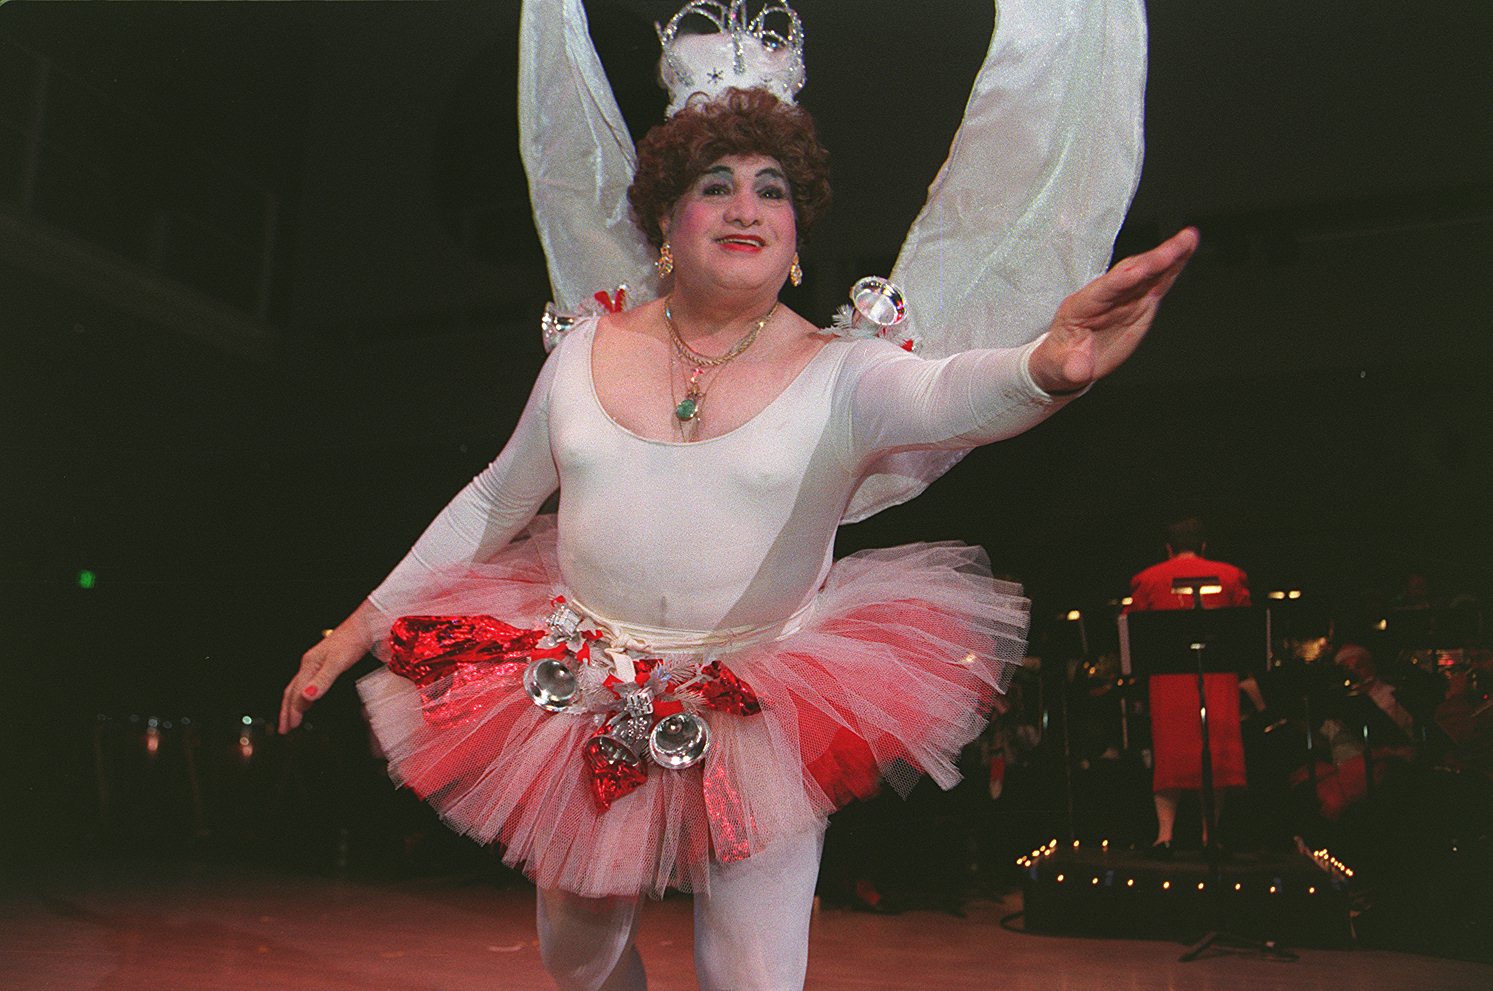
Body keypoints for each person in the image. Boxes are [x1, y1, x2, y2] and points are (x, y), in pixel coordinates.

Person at [280, 3, 1191, 989]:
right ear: (667, 219)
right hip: (582, 692)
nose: (745, 208)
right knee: (579, 957)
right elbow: (493, 497)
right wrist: (358, 626)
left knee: (753, 975)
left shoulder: (843, 372)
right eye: (715, 186)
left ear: (796, 229)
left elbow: (947, 393)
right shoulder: (586, 349)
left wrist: (1049, 366)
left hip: (759, 710)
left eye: (772, 189)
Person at [1125, 517, 1254, 856]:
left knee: (1171, 752)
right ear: (1205, 546)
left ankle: (1164, 835)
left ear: (1168, 548)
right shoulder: (1231, 575)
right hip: (1217, 675)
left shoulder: (1146, 579)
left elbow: (1133, 629)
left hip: (1169, 677)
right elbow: (1247, 628)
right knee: (1217, 750)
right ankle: (1210, 836)